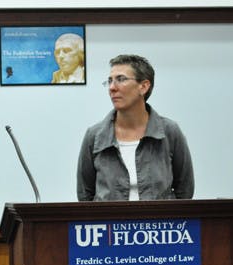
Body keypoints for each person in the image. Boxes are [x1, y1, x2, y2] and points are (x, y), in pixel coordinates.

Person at [76, 54, 194, 201]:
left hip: (159, 223)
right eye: (110, 81)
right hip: (110, 223)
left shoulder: (169, 131)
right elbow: (85, 195)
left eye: (121, 79)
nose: (112, 88)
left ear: (143, 86)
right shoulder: (94, 135)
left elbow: (185, 191)